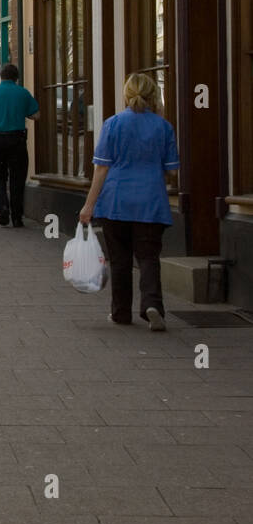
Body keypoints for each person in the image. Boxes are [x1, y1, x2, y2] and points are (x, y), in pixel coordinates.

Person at [78, 73, 178, 331]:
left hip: (115, 201)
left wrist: (89, 205)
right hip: (151, 200)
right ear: (153, 95)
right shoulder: (163, 127)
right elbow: (172, 170)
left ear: (126, 94)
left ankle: (121, 312)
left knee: (120, 260)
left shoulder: (112, 124)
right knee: (148, 256)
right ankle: (152, 304)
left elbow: (101, 169)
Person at [0, 62, 40, 227]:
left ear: (1, 76)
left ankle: (3, 205)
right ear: (17, 77)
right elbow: (36, 115)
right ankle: (17, 217)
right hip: (17, 140)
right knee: (17, 178)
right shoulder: (23, 93)